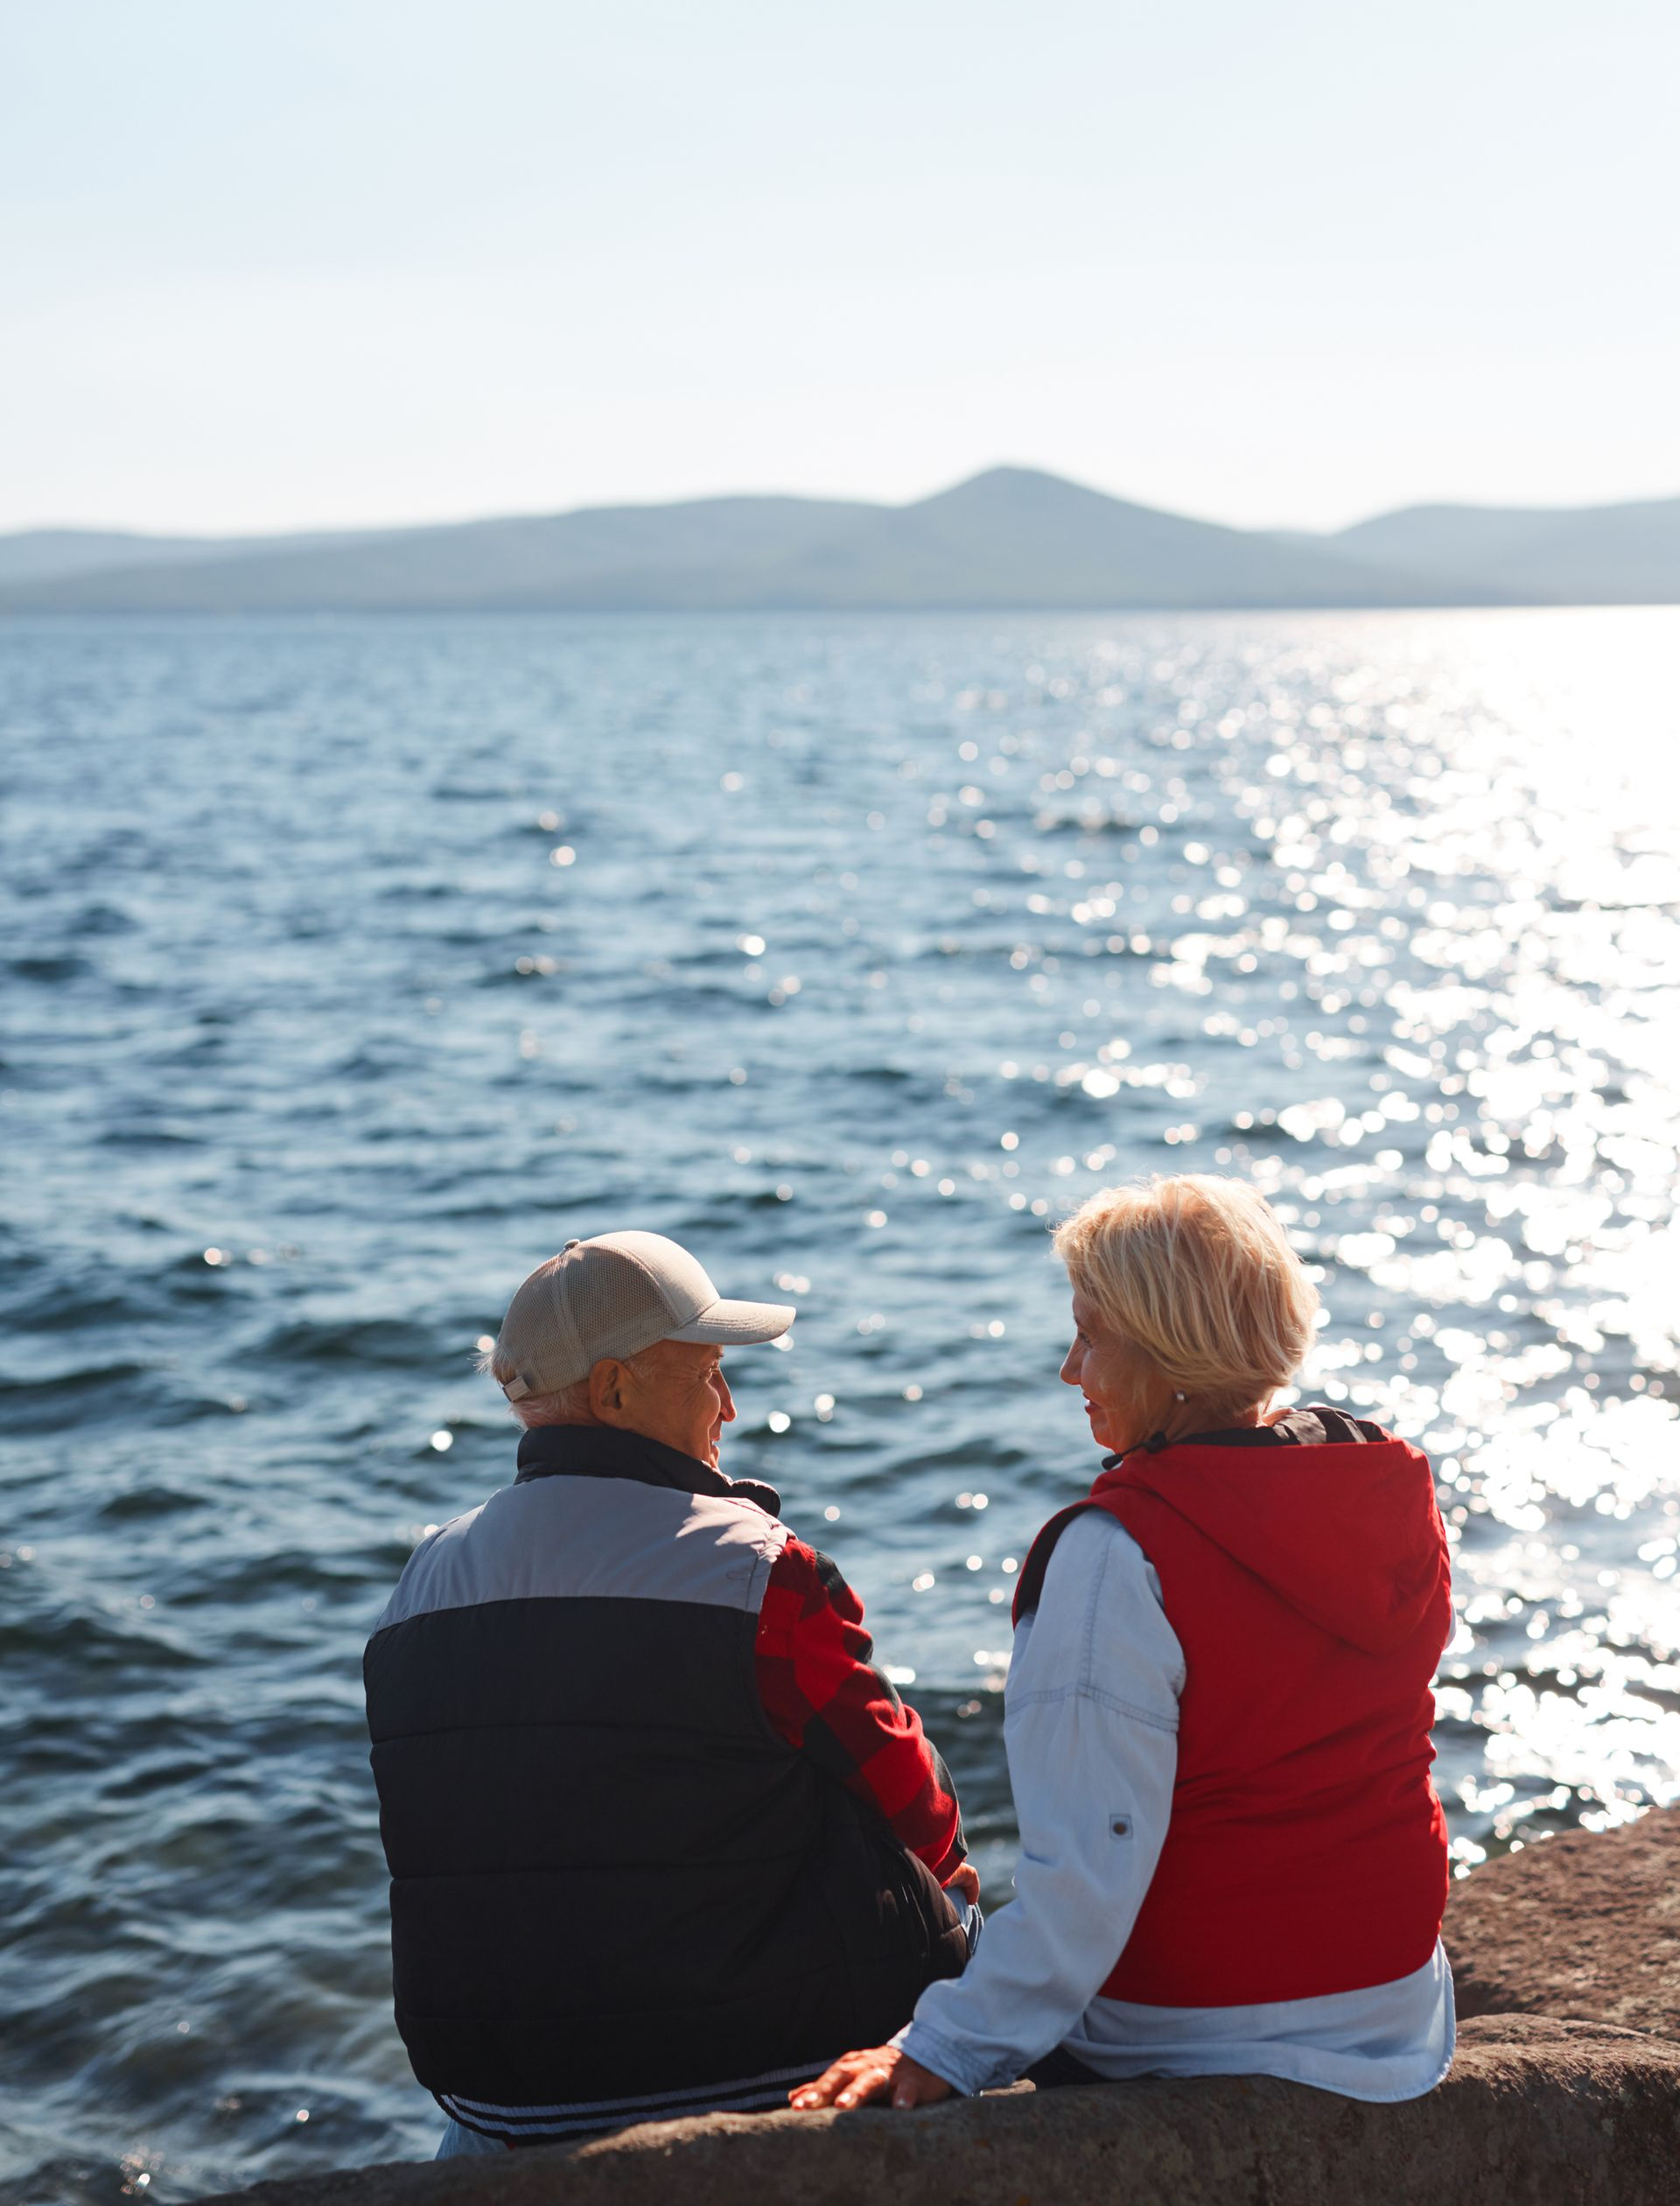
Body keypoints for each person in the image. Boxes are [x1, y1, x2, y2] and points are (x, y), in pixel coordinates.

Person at [794, 1174, 1453, 2114]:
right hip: (1393, 2004)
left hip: (1202, 2023)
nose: (1070, 1369)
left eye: (1090, 1336)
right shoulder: (1381, 1493)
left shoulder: (1122, 1557)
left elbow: (1094, 1866)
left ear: (1167, 1358)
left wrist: (943, 2044)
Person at [364, 1230, 977, 2156]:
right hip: (737, 2067)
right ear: (614, 1390)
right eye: (709, 1374)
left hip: (491, 2097)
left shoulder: (421, 1586)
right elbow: (918, 1808)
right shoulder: (758, 1573)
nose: (728, 1407)